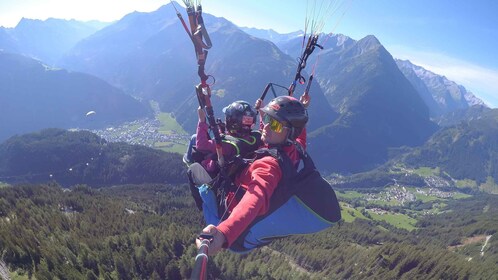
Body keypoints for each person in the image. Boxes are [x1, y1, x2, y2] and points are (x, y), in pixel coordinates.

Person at [195, 94, 341, 255]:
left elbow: (254, 199)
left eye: (275, 125)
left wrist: (224, 233)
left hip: (233, 231)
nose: (266, 127)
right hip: (247, 233)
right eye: (267, 119)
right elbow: (301, 139)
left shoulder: (269, 166)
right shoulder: (295, 149)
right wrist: (302, 109)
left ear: (290, 133)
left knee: (199, 181)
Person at [185, 100, 263, 210]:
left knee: (192, 168)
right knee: (194, 138)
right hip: (235, 168)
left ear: (232, 122)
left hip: (217, 175)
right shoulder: (256, 137)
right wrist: (261, 112)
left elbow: (201, 145)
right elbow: (264, 129)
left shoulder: (227, 145)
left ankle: (201, 205)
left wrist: (201, 120)